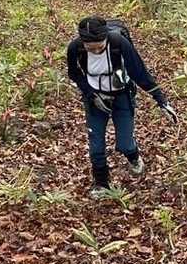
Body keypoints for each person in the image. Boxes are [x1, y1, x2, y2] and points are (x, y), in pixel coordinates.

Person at [66, 15, 177, 198]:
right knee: (96, 146)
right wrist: (91, 94)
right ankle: (101, 183)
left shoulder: (119, 43)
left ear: (106, 38)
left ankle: (134, 157)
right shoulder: (75, 48)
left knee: (124, 144)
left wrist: (161, 100)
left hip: (121, 96)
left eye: (100, 47)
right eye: (90, 48)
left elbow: (139, 73)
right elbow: (74, 73)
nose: (95, 51)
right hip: (95, 99)